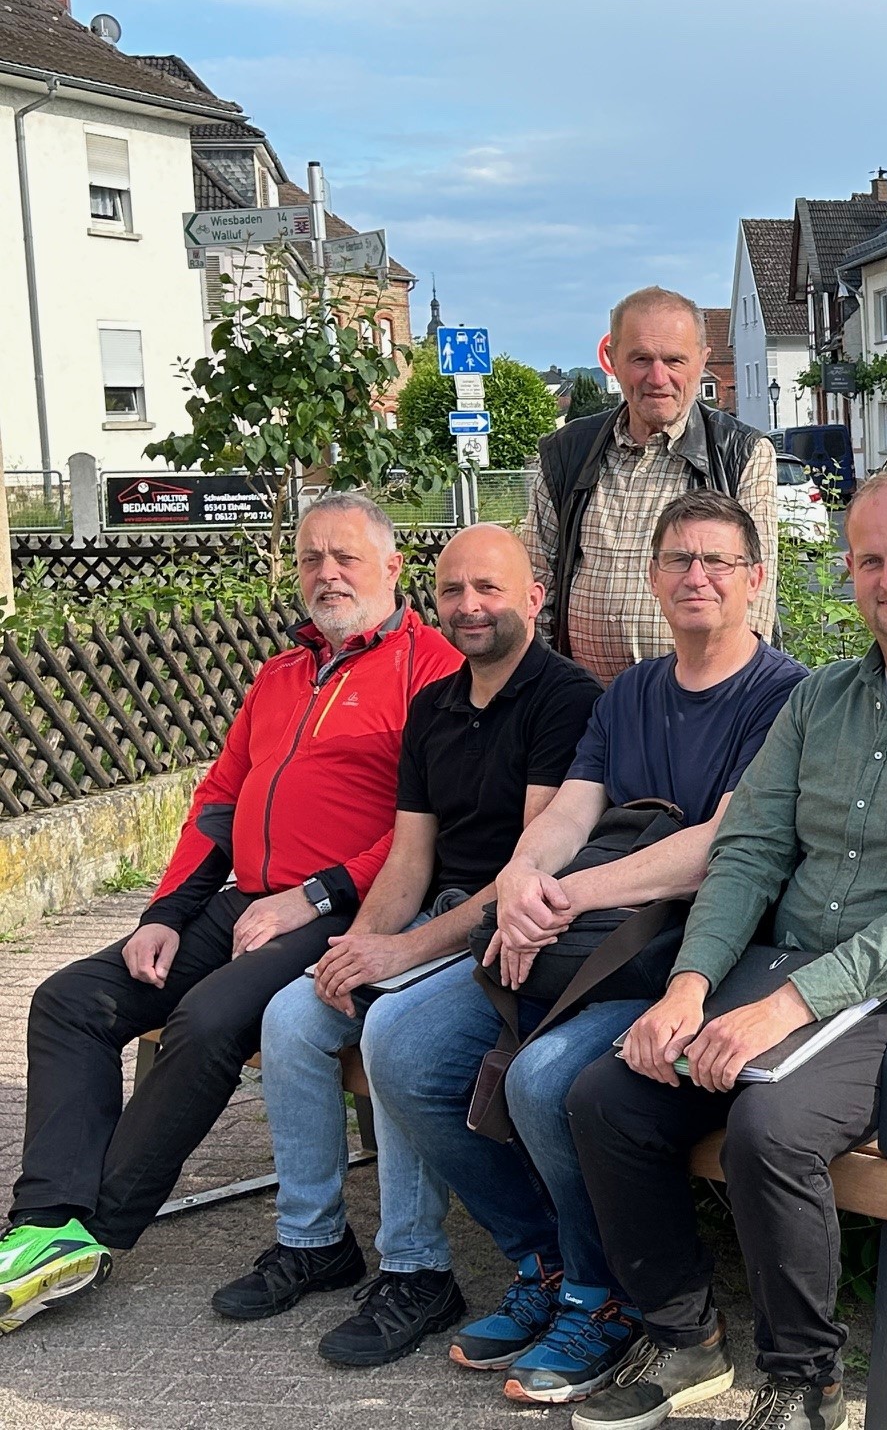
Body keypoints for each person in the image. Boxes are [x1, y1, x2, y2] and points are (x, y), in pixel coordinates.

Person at [564, 468, 887, 1430]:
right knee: (608, 1098)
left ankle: (804, 1382)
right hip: (787, 979)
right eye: (869, 559)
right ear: (847, 571)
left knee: (772, 1127)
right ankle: (687, 1343)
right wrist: (690, 986)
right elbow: (747, 852)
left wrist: (783, 1009)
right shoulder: (819, 700)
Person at [362, 491, 806, 1407]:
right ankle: (545, 1261)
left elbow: (720, 843)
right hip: (579, 940)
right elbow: (572, 809)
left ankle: (604, 1296)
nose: (697, 577)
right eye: (678, 560)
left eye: (718, 562)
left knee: (542, 1078)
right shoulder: (633, 690)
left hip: (686, 958)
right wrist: (524, 885)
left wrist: (562, 897)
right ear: (650, 579)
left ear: (756, 581)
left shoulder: (786, 696)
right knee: (400, 1049)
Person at [0, 494, 462, 1333]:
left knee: (207, 1019)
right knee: (68, 1001)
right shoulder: (281, 673)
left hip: (339, 909)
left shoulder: (427, 670)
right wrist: (166, 911)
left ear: (394, 569)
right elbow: (219, 800)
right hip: (237, 901)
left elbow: (421, 832)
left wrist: (311, 897)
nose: (326, 573)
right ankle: (41, 1220)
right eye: (311, 558)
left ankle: (92, 1231)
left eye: (347, 558)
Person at [209, 525, 602, 1367]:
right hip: (430, 915)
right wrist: (356, 947)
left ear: (534, 598)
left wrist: (399, 956)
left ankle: (417, 1268)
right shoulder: (435, 705)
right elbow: (409, 856)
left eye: (489, 589)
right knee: (295, 1014)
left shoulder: (563, 698)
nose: (469, 607)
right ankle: (314, 1239)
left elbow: (522, 874)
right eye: (453, 590)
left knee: (393, 1028)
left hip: (508, 928)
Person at [525, 286, 780, 682]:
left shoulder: (740, 453)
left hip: (697, 706)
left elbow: (753, 601)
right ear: (612, 360)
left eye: (674, 360)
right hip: (582, 705)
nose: (657, 377)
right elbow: (534, 588)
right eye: (641, 359)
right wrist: (548, 692)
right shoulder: (567, 452)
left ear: (702, 362)